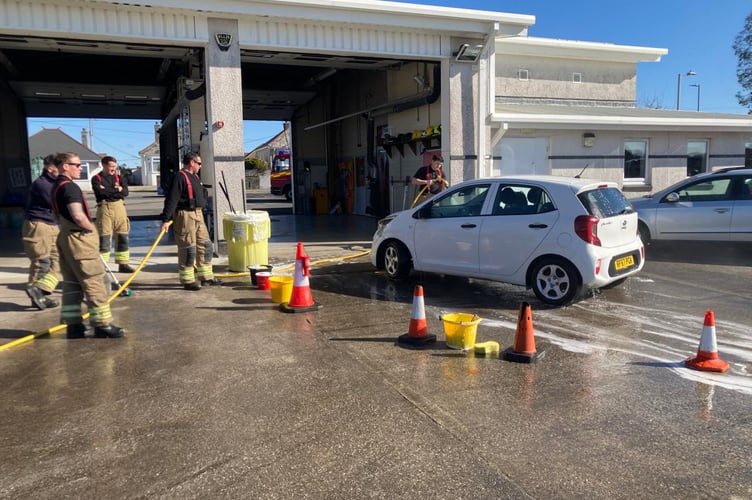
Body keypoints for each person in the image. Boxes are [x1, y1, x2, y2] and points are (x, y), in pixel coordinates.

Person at [51, 152, 125, 339]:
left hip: (66, 238)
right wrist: (90, 229)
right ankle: (102, 325)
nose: (80, 168)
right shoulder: (70, 188)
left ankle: (73, 326)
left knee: (72, 284)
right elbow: (77, 215)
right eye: (76, 165)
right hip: (79, 240)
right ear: (64, 166)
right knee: (95, 282)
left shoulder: (56, 186)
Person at [159, 152, 222, 291]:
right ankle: (187, 280)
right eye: (199, 163)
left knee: (205, 245)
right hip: (185, 215)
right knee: (188, 249)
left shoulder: (195, 177)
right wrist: (165, 219)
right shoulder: (180, 177)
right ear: (191, 163)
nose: (200, 166)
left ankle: (206, 277)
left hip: (198, 214)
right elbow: (172, 199)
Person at [22, 154, 61, 310]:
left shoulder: (54, 183)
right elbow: (56, 204)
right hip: (39, 226)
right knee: (41, 262)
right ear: (50, 168)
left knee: (58, 260)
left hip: (51, 224)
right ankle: (36, 295)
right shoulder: (42, 184)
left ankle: (40, 292)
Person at [92, 155, 135, 273]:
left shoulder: (119, 177)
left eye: (114, 166)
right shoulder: (96, 178)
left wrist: (111, 190)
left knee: (122, 236)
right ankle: (102, 266)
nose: (113, 169)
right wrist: (117, 190)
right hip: (104, 209)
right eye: (110, 166)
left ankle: (123, 264)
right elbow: (100, 193)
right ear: (104, 165)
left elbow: (125, 193)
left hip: (120, 208)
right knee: (104, 238)